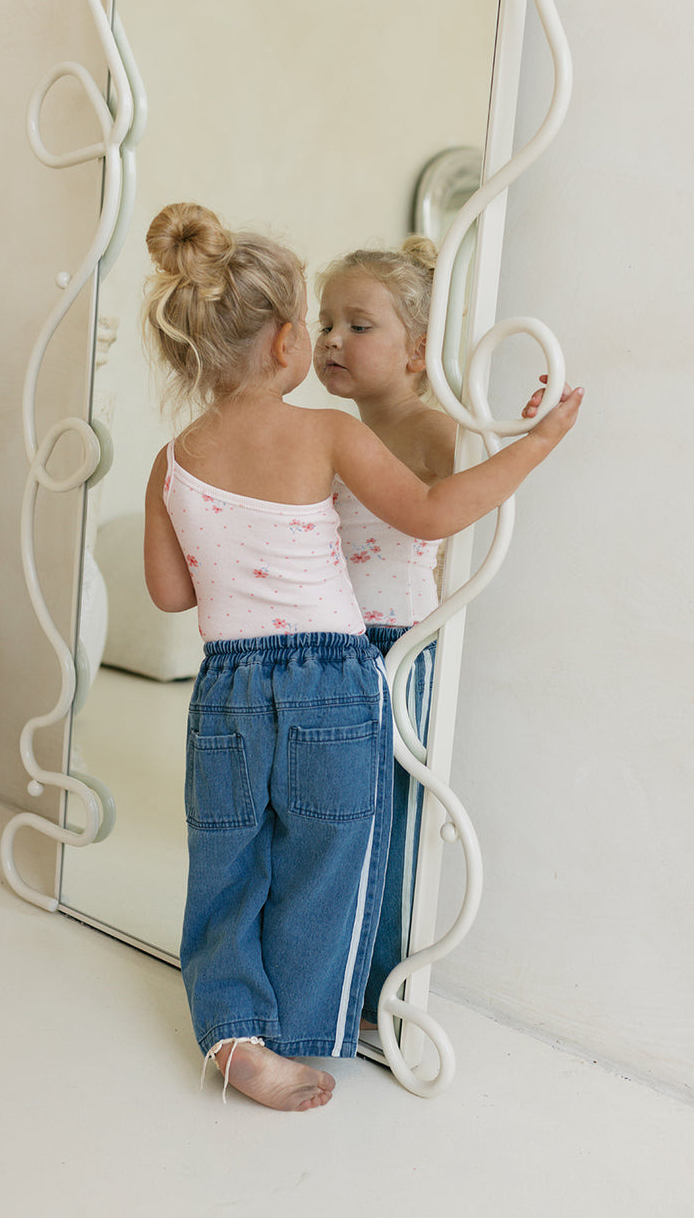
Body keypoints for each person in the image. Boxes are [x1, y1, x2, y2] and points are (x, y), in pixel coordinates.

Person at [142, 203, 582, 1111]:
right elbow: (427, 512)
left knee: (225, 862)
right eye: (317, 322)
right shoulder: (328, 435)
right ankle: (307, 1027)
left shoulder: (170, 458)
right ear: (285, 343)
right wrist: (533, 447)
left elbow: (170, 594)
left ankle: (233, 1033)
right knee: (329, 857)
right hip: (332, 680)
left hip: (223, 685)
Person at [313, 236, 580, 1026]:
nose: (332, 339)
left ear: (418, 353)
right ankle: (331, 961)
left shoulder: (430, 432)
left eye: (358, 326)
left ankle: (379, 979)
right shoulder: (335, 434)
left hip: (395, 645)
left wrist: (520, 436)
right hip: (332, 644)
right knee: (334, 814)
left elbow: (474, 486)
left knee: (389, 820)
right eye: (324, 321)